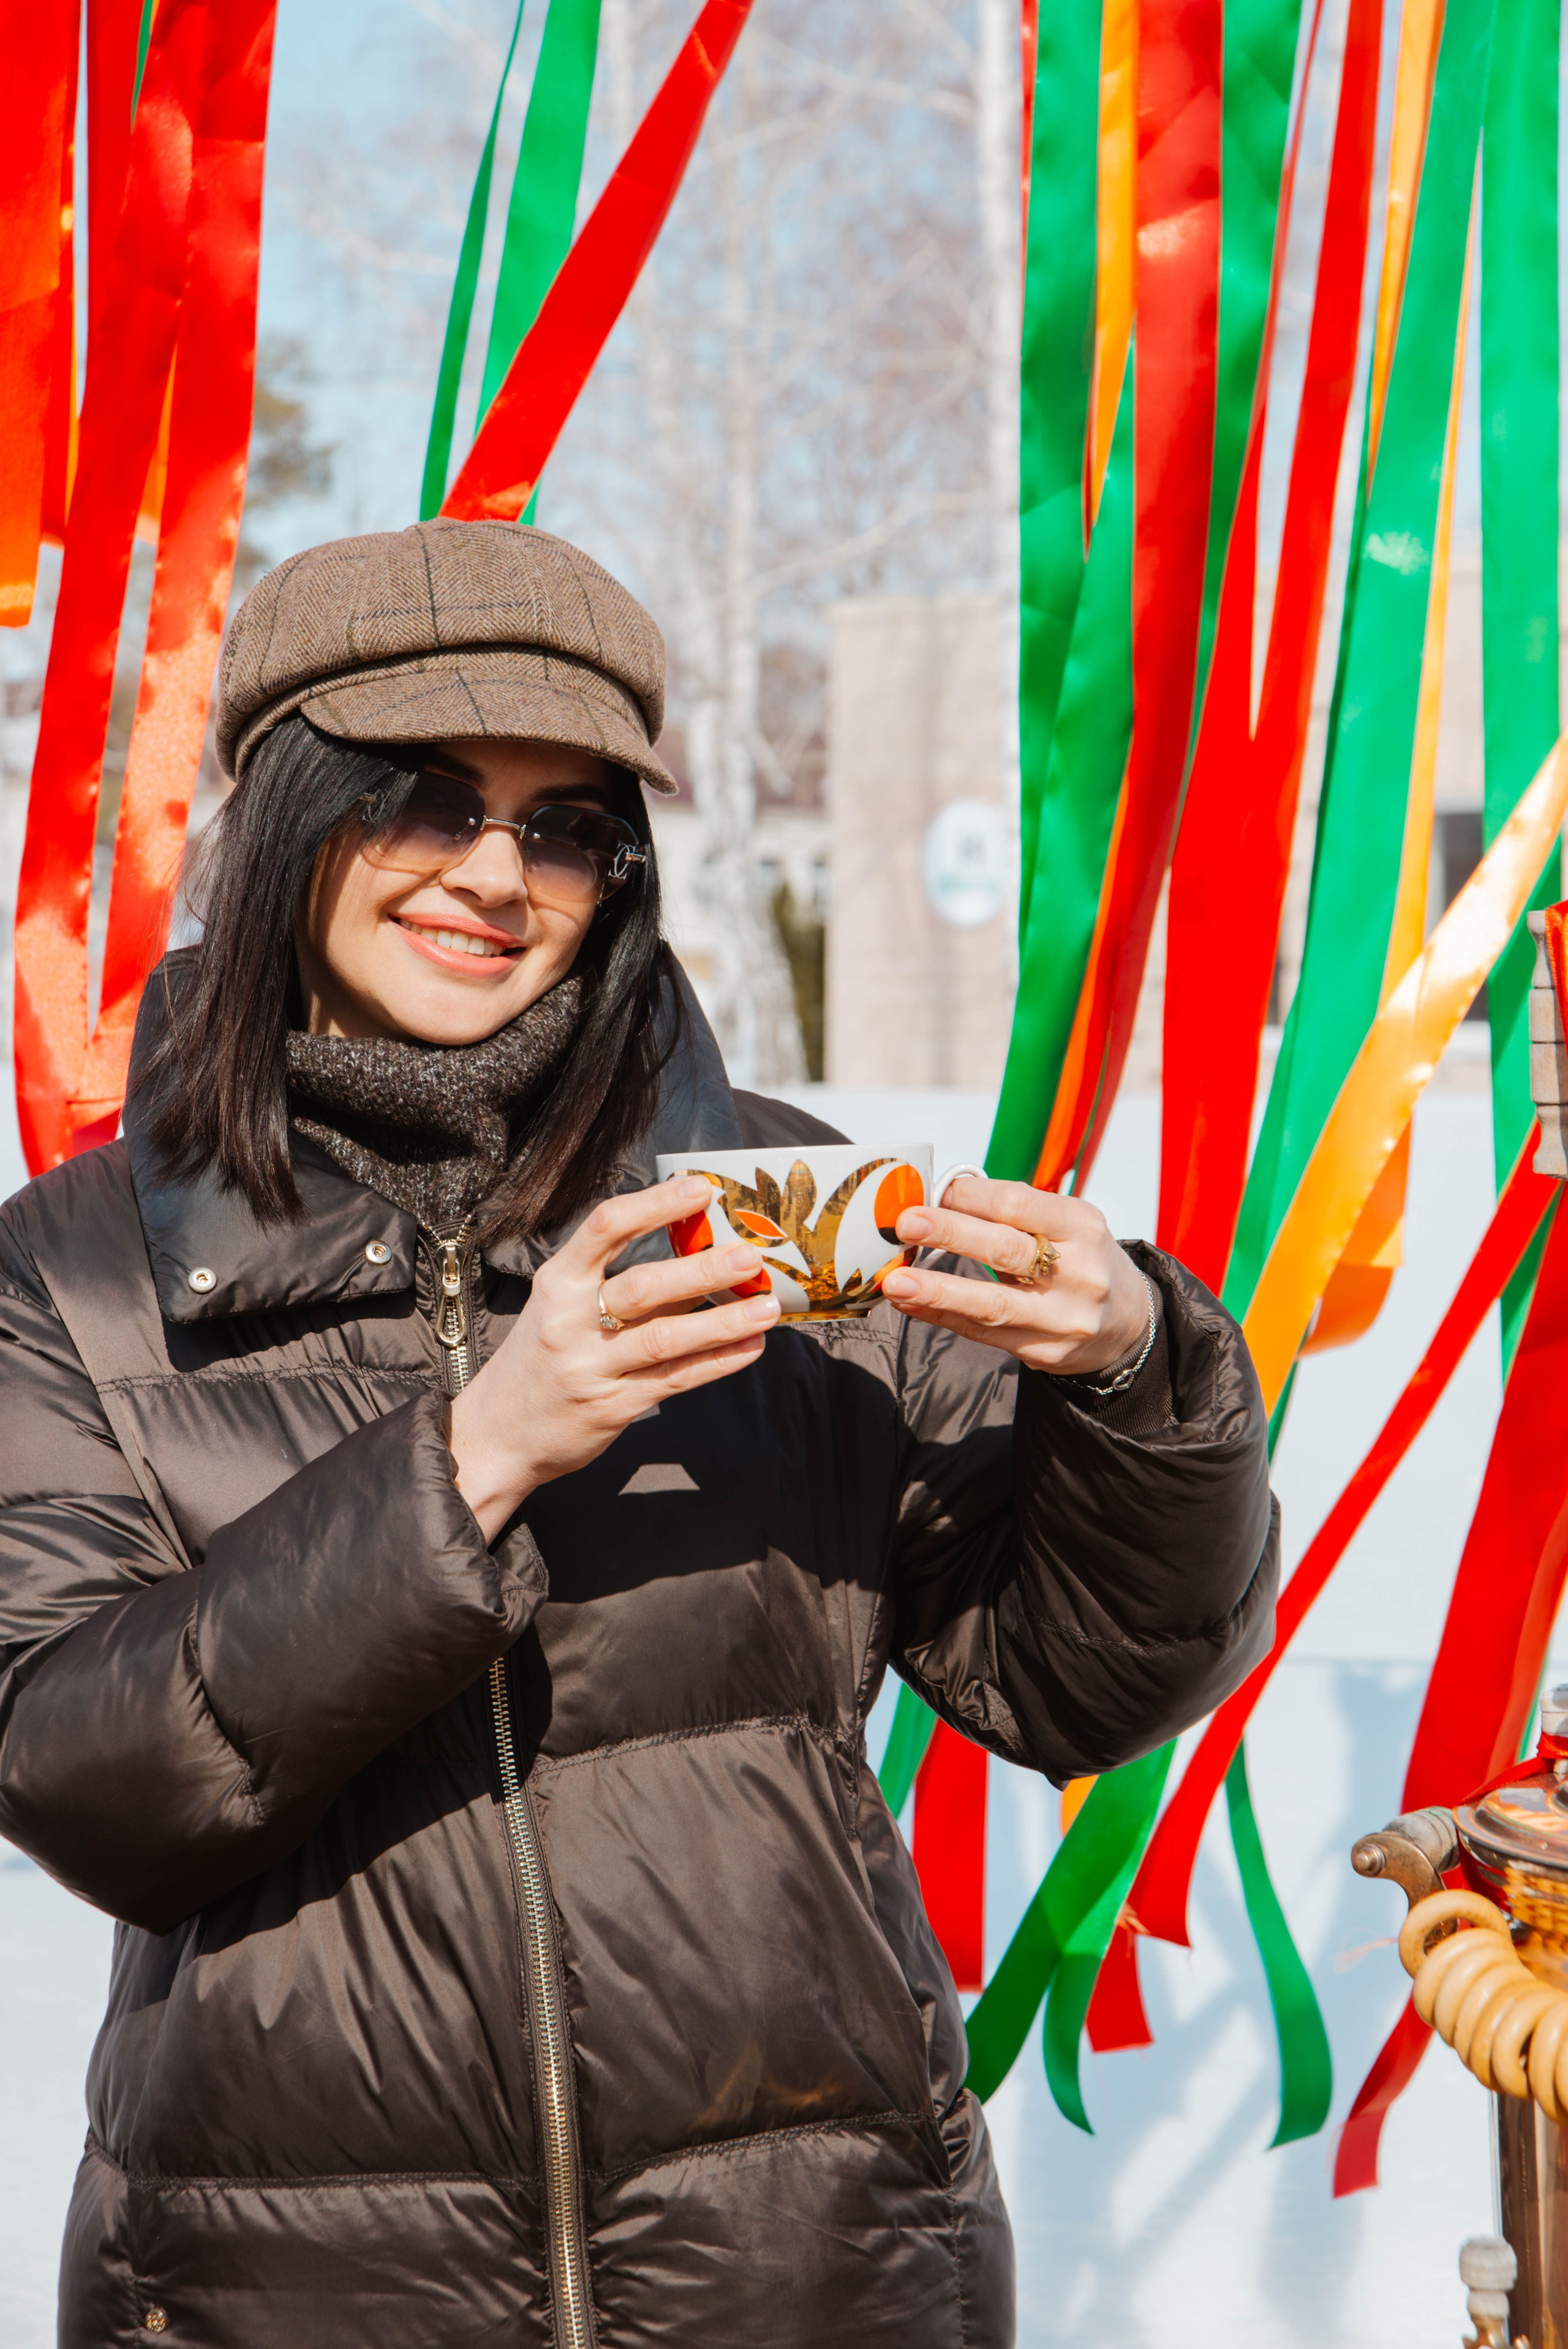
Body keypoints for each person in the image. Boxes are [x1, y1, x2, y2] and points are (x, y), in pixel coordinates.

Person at [0, 521, 1277, 2349]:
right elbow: (78, 1768)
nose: (494, 872)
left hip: (807, 2278)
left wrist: (1134, 1376)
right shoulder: (75, 1276)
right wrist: (469, 1459)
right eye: (426, 798)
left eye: (568, 825)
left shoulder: (778, 1210)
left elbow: (1082, 1677)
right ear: (284, 809)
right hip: (282, 2293)